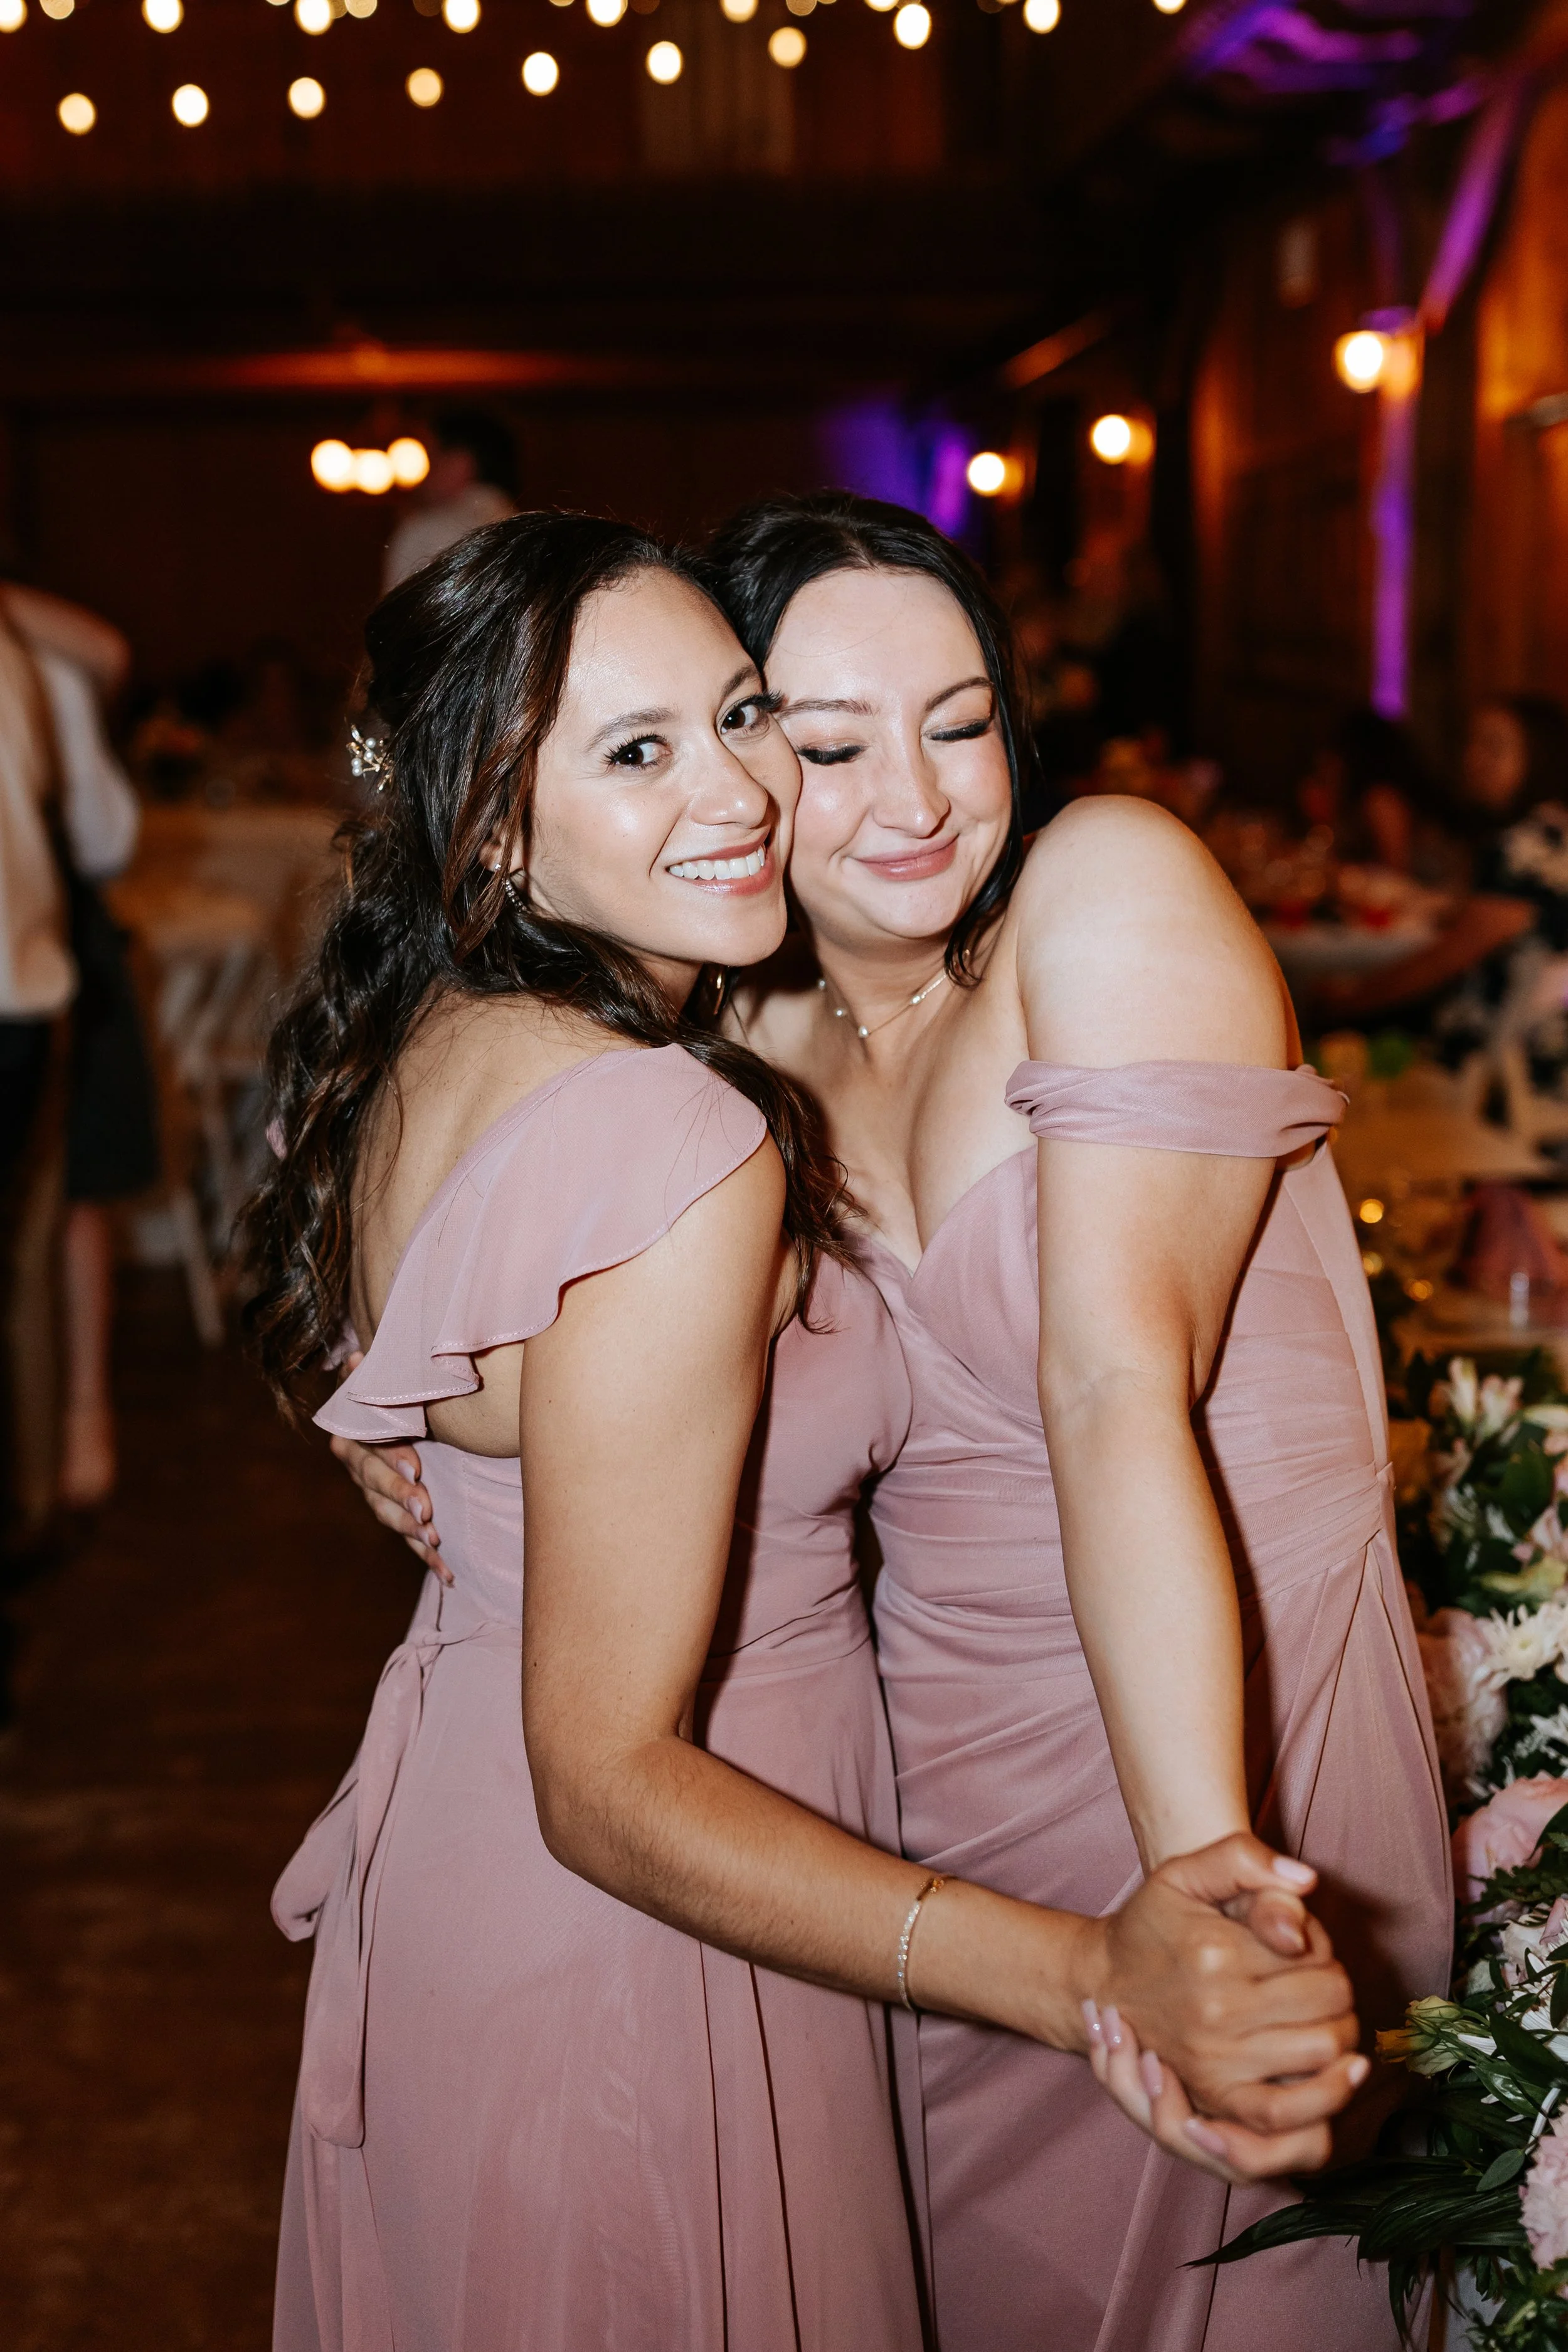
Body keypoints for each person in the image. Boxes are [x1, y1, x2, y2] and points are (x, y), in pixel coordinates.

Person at [255, 513, 1367, 2350]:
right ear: (501, 828)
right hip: (737, 1840)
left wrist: (1189, 1873)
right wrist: (407, 1416)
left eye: (954, 717)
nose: (786, 790)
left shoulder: (689, 1006)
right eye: (819, 733)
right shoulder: (692, 1077)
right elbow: (600, 1742)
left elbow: (1107, 1395)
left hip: (1100, 1730)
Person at [4, 588, 159, 1510]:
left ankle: (77, 1424)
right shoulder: (45, 653)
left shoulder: (46, 653)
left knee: (72, 1184)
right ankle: (76, 1426)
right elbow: (111, 837)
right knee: (69, 1192)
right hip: (44, 947)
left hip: (41, 955)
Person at [381, 407, 518, 593]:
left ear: (460, 463)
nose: (422, 478)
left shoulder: (427, 529)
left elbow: (398, 619)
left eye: (430, 458)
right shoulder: (522, 532)